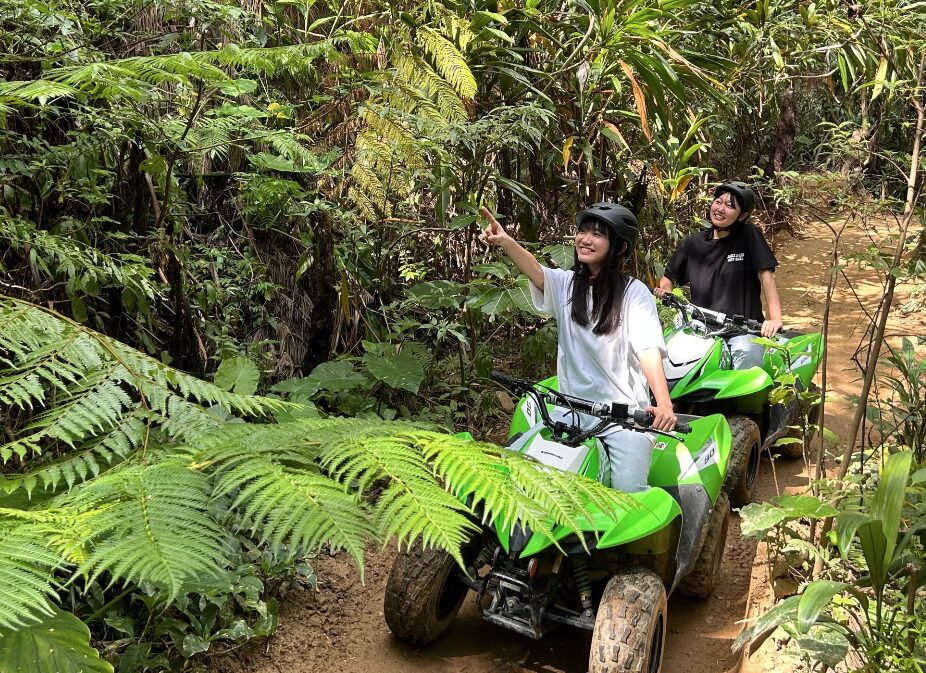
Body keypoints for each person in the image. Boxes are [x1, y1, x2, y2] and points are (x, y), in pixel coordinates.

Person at [481, 202, 676, 493]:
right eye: (582, 231)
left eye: (597, 234)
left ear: (620, 247)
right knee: (512, 470)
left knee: (627, 493)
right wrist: (506, 241)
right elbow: (535, 269)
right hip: (568, 412)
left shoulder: (634, 293)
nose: (585, 239)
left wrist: (664, 403)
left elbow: (647, 349)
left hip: (620, 421)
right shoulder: (567, 285)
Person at [655, 182, 783, 370]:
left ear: (743, 215)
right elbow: (668, 278)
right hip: (701, 329)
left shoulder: (749, 235)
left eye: (730, 206)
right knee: (671, 365)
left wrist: (775, 319)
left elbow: (766, 276)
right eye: (718, 201)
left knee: (746, 372)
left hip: (743, 331)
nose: (721, 209)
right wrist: (666, 292)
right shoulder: (693, 244)